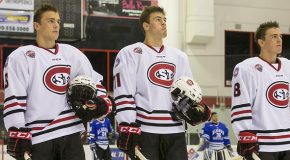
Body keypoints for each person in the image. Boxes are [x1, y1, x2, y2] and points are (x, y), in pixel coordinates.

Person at [3, 4, 113, 160]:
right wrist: (17, 130)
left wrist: (101, 101)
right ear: (36, 25)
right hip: (39, 137)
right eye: (50, 21)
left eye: (58, 21)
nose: (56, 25)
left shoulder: (71, 54)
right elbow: (14, 99)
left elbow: (95, 81)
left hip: (71, 134)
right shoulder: (20, 57)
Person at [113, 6, 210, 160]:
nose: (164, 23)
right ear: (146, 26)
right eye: (158, 20)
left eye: (165, 20)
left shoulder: (179, 56)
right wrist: (127, 125)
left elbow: (189, 92)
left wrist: (194, 108)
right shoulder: (130, 53)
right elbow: (124, 92)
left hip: (176, 131)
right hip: (145, 131)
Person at [231, 21, 290, 160]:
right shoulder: (245, 68)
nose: (279, 39)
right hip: (262, 144)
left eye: (280, 36)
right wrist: (244, 134)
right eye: (274, 36)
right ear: (261, 42)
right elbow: (241, 104)